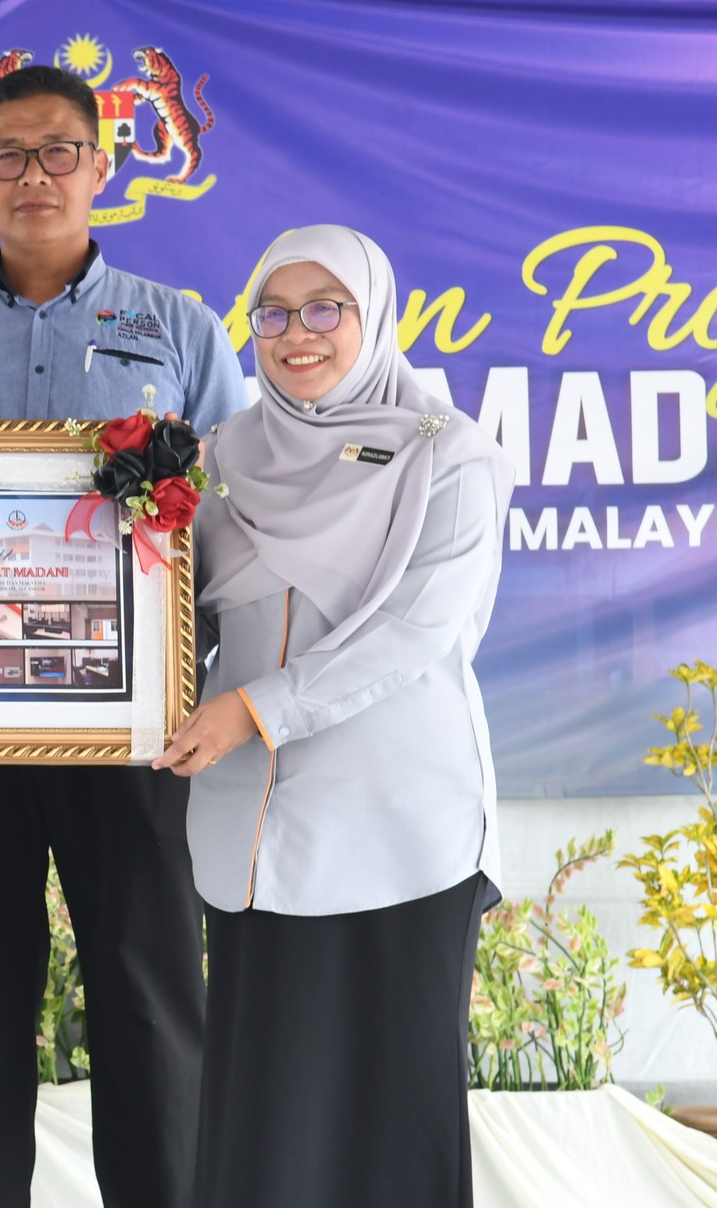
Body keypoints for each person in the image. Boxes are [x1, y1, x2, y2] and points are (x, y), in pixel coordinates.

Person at [0, 64, 246, 1208]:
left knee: (150, 1001)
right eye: (7, 156)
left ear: (102, 166)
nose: (34, 176)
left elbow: (238, 515)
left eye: (58, 151)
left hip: (134, 730)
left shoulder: (174, 329)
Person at [157, 224, 512, 1208]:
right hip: (253, 831)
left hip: (399, 827)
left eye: (325, 310)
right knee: (263, 1117)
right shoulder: (218, 458)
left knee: (389, 1120)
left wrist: (251, 711)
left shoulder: (449, 455)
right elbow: (171, 614)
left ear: (374, 314)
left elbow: (411, 632)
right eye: (270, 314)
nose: (293, 334)